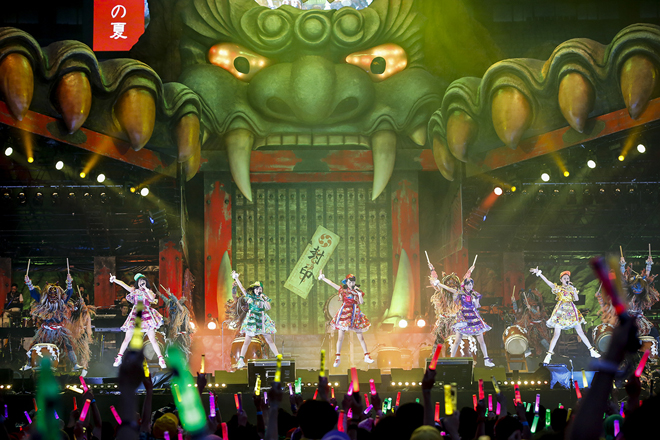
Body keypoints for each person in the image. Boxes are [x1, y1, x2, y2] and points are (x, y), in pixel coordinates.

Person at [529, 267, 600, 363]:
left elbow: (576, 299)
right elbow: (548, 282)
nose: (566, 279)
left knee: (580, 332)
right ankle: (549, 355)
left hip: (571, 311)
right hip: (561, 312)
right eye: (565, 278)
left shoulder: (571, 288)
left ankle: (592, 351)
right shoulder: (558, 288)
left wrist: (573, 289)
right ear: (561, 280)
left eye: (568, 278)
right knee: (556, 334)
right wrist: (539, 273)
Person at [431, 263, 495, 367]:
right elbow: (447, 288)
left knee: (479, 340)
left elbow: (477, 305)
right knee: (450, 341)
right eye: (467, 285)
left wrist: (474, 301)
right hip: (459, 319)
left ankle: (485, 359)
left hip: (472, 317)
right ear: (464, 285)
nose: (469, 286)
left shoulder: (474, 294)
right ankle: (442, 360)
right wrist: (437, 280)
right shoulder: (458, 293)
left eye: (471, 285)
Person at [23, 273, 83, 370]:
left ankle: (75, 364)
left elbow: (69, 292)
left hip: (59, 330)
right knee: (35, 344)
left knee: (68, 344)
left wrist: (69, 282)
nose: (53, 296)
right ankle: (29, 363)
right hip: (45, 330)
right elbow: (34, 293)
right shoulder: (43, 301)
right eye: (50, 294)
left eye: (55, 294)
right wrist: (29, 283)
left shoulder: (61, 301)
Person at [317, 270, 374, 367]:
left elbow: (361, 302)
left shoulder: (357, 291)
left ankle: (366, 356)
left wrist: (359, 295)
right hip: (344, 313)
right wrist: (323, 278)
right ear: (346, 282)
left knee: (360, 337)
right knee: (340, 337)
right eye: (350, 282)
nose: (352, 283)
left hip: (355, 312)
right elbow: (331, 283)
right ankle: (337, 358)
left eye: (353, 282)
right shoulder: (343, 290)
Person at [109, 273, 166, 368]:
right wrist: (114, 280)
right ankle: (119, 358)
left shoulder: (149, 291)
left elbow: (152, 298)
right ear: (137, 283)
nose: (141, 283)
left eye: (143, 281)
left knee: (152, 339)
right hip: (136, 315)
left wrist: (146, 289)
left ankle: (161, 359)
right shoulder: (134, 291)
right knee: (127, 338)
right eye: (140, 281)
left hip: (147, 315)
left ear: (146, 282)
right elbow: (123, 284)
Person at [232, 271, 279, 369]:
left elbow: (268, 307)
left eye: (260, 289)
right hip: (253, 319)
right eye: (257, 288)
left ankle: (278, 356)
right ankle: (241, 360)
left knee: (269, 339)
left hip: (262, 319)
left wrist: (264, 299)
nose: (259, 290)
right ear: (254, 290)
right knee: (247, 340)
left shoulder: (263, 297)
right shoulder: (249, 297)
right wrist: (236, 278)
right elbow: (242, 288)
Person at [619, 255, 659, 344]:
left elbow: (647, 278)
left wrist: (649, 265)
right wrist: (622, 265)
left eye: (640, 289)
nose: (637, 290)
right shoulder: (627, 294)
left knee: (654, 332)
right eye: (635, 288)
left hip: (639, 319)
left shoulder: (642, 296)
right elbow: (623, 278)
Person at [510, 288, 550, 357]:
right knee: (522, 335)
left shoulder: (536, 305)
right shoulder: (523, 307)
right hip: (527, 325)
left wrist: (531, 309)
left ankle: (550, 351)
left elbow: (538, 315)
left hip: (536, 325)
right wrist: (514, 302)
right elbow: (517, 311)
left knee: (539, 337)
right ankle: (527, 351)